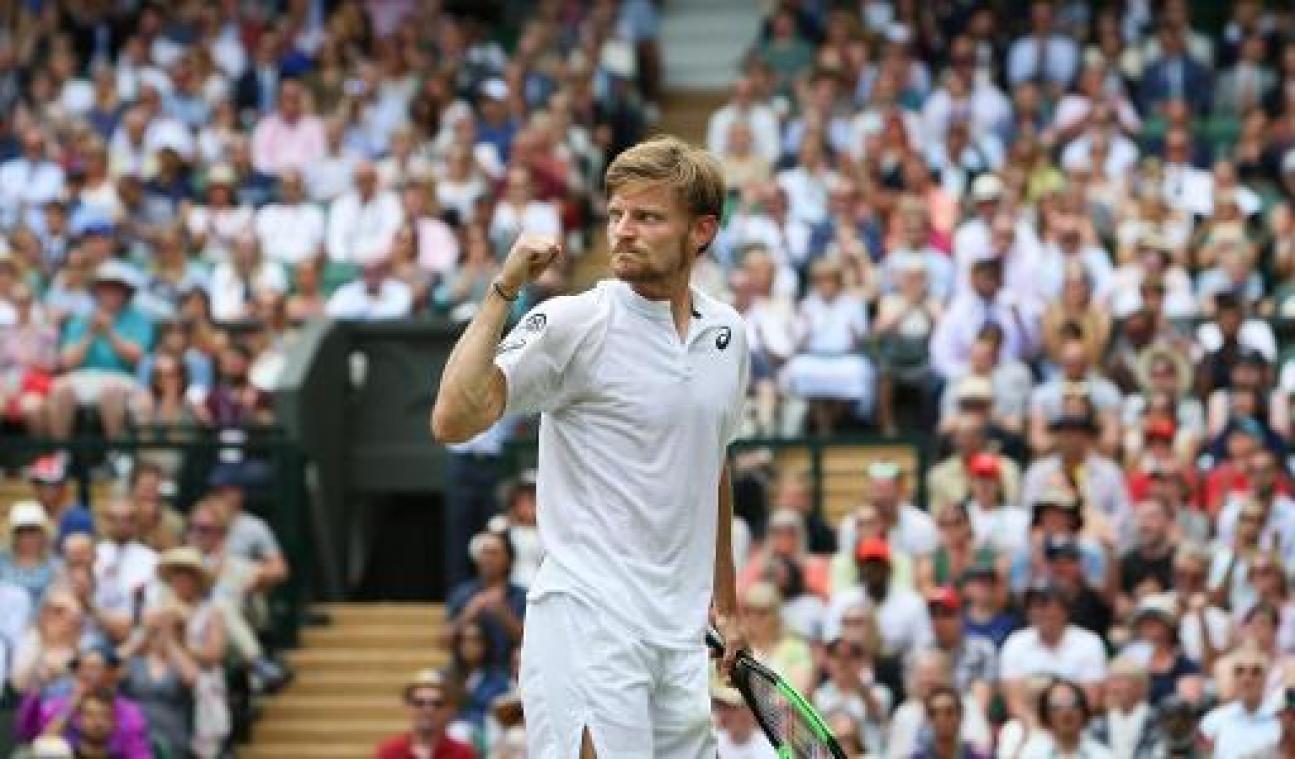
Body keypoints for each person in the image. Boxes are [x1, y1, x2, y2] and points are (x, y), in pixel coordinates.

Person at [432, 135, 746, 758]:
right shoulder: (577, 323)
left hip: (680, 643)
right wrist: (503, 289)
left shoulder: (728, 334)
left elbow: (711, 463)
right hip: (586, 621)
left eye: (648, 217)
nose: (624, 231)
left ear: (701, 231)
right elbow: (453, 419)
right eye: (616, 215)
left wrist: (728, 606)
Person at [375, 669, 476, 759]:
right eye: (419, 703)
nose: (428, 710)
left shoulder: (462, 754)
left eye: (437, 704)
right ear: (408, 707)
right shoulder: (389, 753)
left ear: (448, 710)